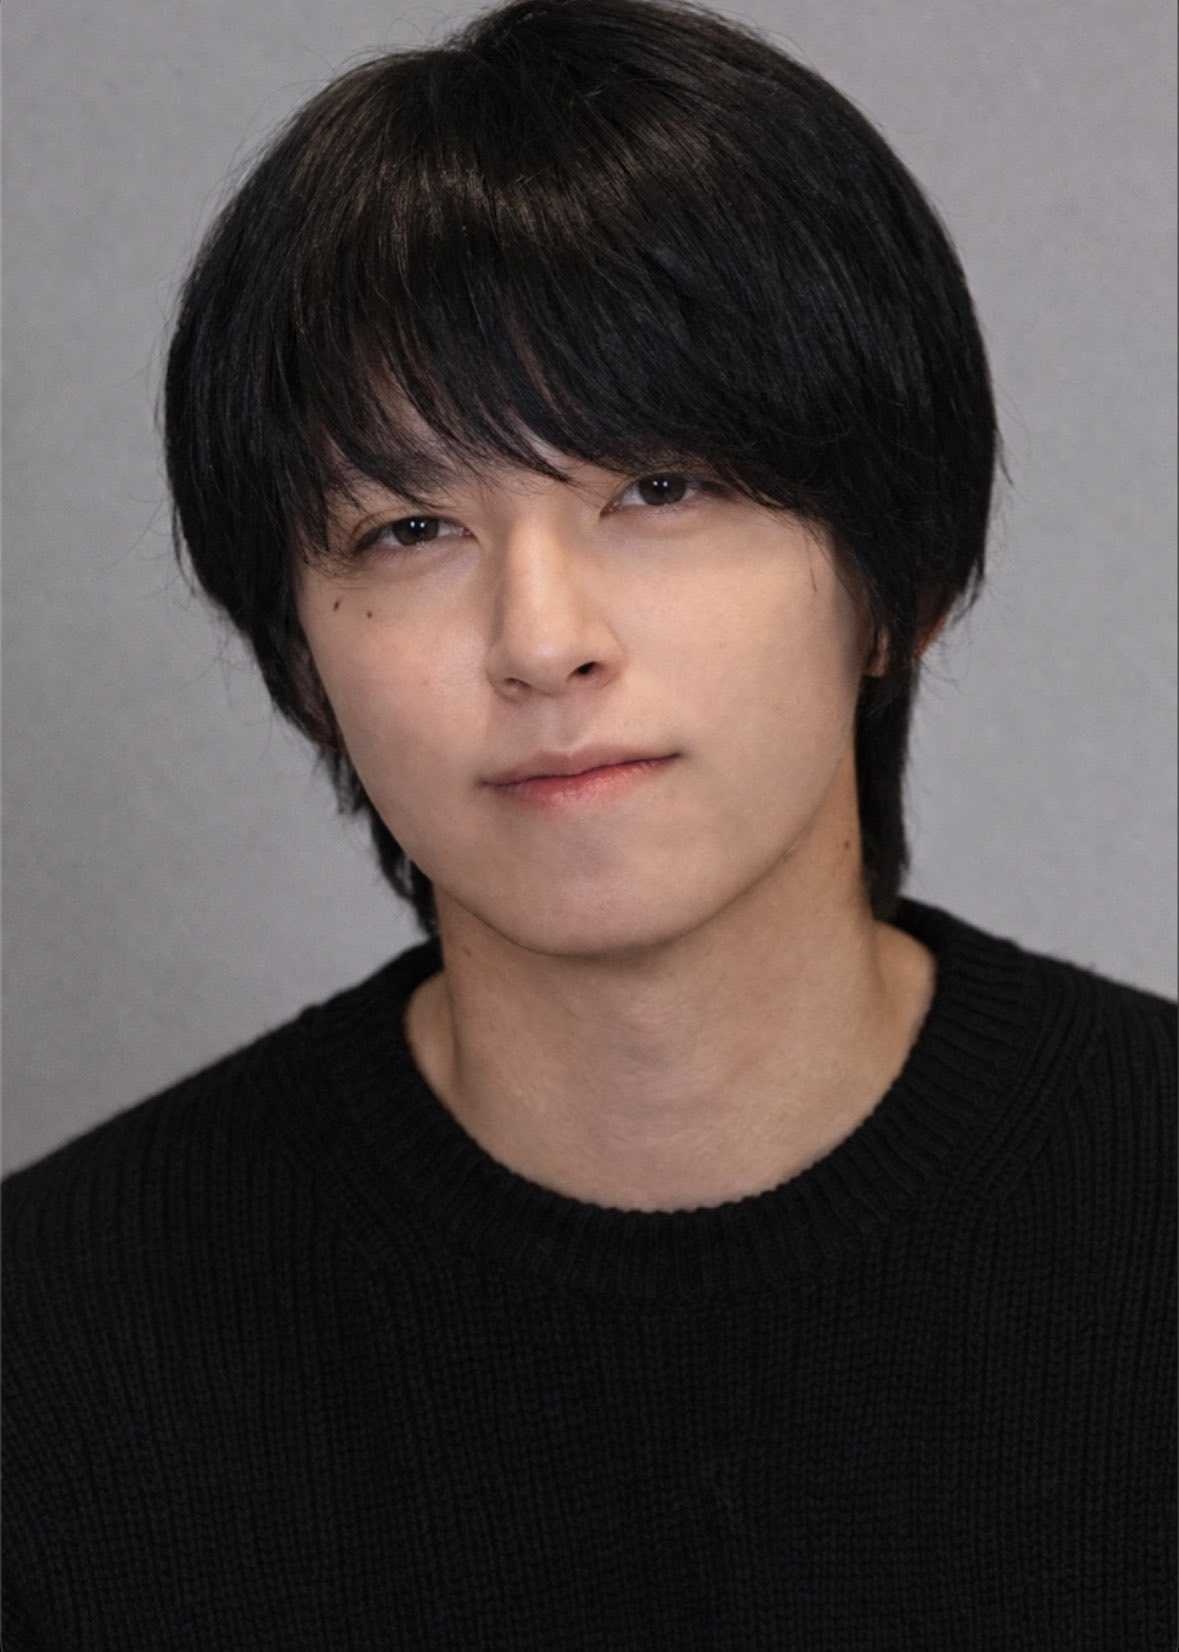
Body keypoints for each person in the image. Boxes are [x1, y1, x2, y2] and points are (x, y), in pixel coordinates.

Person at [3, 0, 1174, 1644]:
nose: (543, 640)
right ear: (301, 654)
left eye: (659, 489)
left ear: (901, 577)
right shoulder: (57, 1353)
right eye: (411, 528)